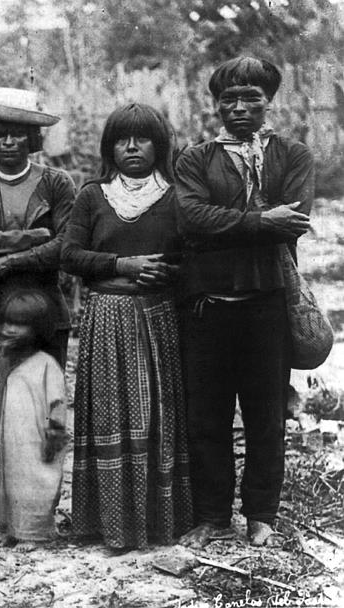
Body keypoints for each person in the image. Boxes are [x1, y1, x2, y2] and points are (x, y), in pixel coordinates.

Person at [175, 57, 314, 548]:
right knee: (207, 418)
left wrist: (228, 223)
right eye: (228, 99)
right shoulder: (196, 159)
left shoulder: (291, 155)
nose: (239, 108)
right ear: (214, 104)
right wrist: (260, 221)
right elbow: (190, 219)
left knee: (265, 415)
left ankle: (261, 514)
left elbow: (295, 219)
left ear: (268, 100)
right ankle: (213, 516)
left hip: (267, 305)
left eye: (251, 97)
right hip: (207, 307)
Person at [62, 103, 192, 549]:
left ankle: (158, 522)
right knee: (109, 416)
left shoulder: (176, 196)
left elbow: (190, 259)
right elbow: (70, 254)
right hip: (106, 319)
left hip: (157, 321)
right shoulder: (92, 196)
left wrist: (167, 274)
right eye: (122, 139)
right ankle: (106, 522)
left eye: (143, 138)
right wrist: (123, 264)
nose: (132, 147)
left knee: (155, 415)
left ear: (161, 145)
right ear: (109, 147)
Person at [0, 87, 76, 367]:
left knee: (44, 400)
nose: (8, 142)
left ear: (32, 138)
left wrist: (9, 262)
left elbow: (66, 245)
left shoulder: (56, 182)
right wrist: (35, 238)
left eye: (18, 134)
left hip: (46, 314)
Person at [0, 291, 69, 547]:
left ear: (39, 328)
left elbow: (57, 401)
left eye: (20, 324)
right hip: (7, 437)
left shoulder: (46, 363)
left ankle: (34, 534)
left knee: (35, 481)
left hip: (36, 439)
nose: (11, 330)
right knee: (9, 480)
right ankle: (13, 530)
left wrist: (55, 432)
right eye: (7, 323)